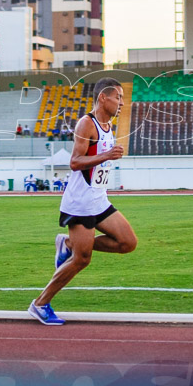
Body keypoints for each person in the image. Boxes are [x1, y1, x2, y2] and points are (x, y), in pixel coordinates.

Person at [28, 78, 137, 326]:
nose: (122, 102)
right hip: (79, 203)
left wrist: (106, 157)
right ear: (103, 98)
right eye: (118, 97)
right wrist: (107, 155)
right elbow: (75, 162)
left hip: (98, 200)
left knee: (127, 242)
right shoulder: (86, 124)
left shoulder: (109, 125)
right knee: (81, 259)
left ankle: (68, 242)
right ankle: (40, 304)